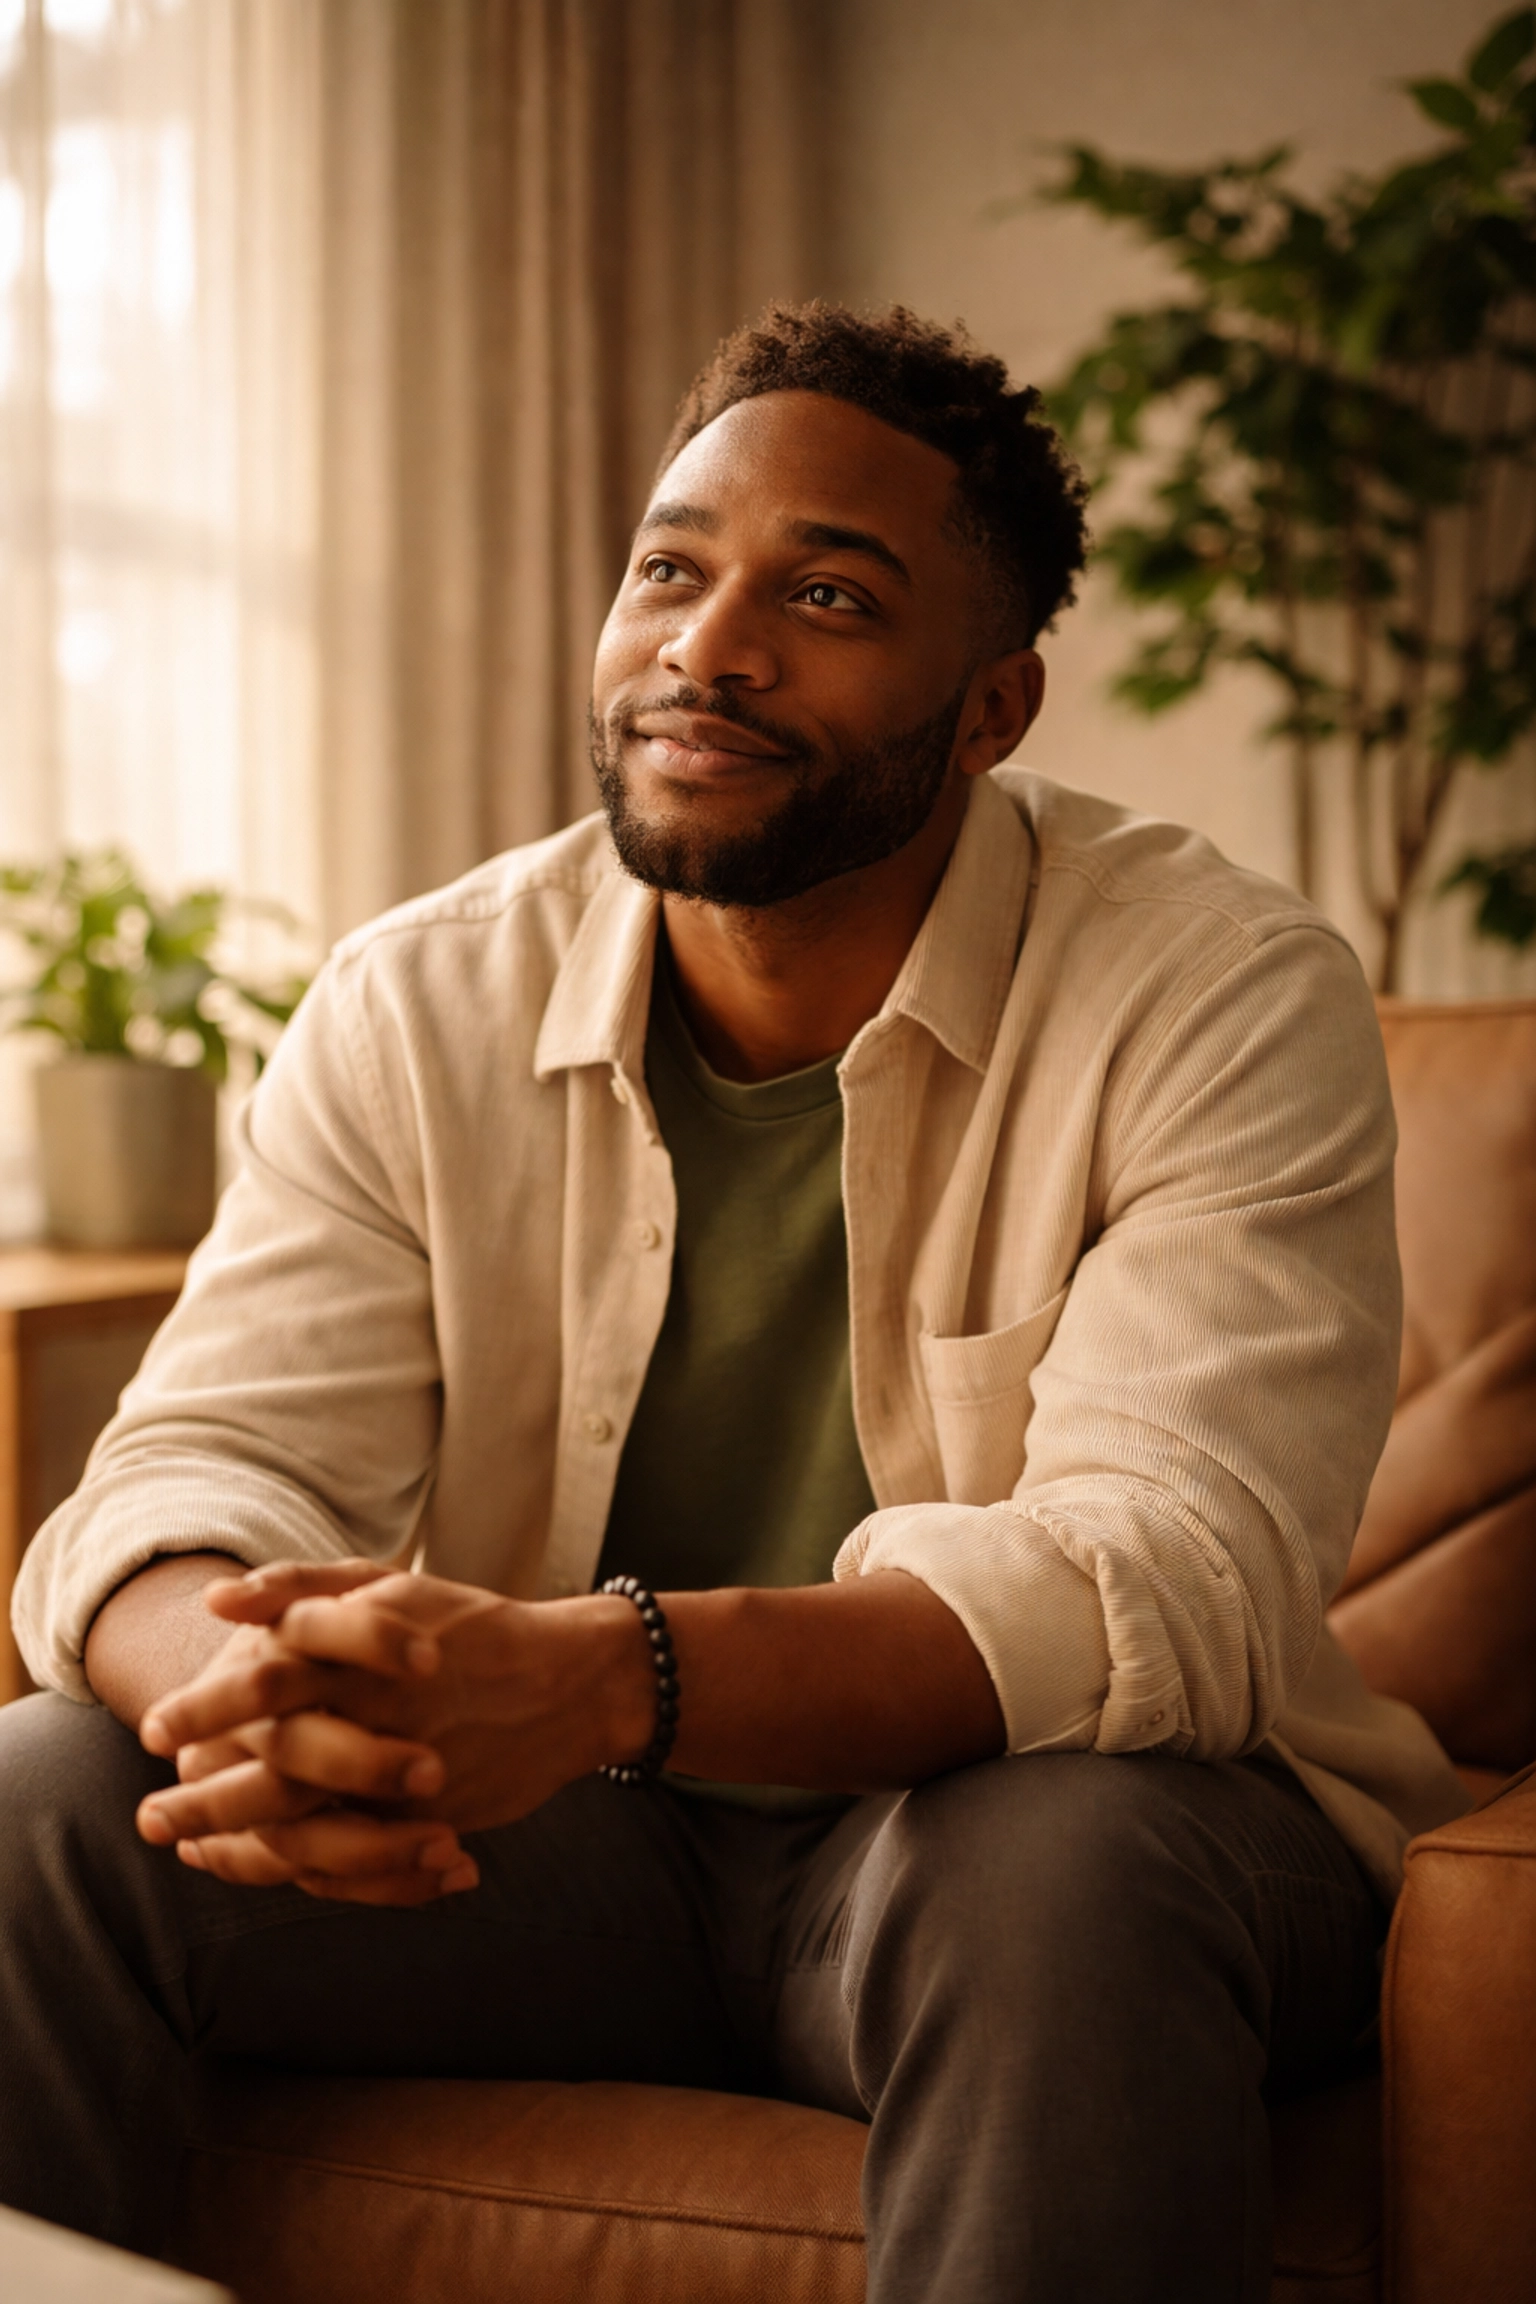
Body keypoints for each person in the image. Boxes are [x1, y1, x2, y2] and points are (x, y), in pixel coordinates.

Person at [1, 303, 1464, 2302]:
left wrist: (601, 1676)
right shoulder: (422, 993)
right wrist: (255, 1694)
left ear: (992, 706)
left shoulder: (1212, 991)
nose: (708, 644)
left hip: (1041, 1850)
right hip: (584, 1859)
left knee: (1055, 1862)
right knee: (52, 1796)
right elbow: (195, 1466)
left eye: (830, 594)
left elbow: (1165, 1582)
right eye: (671, 570)